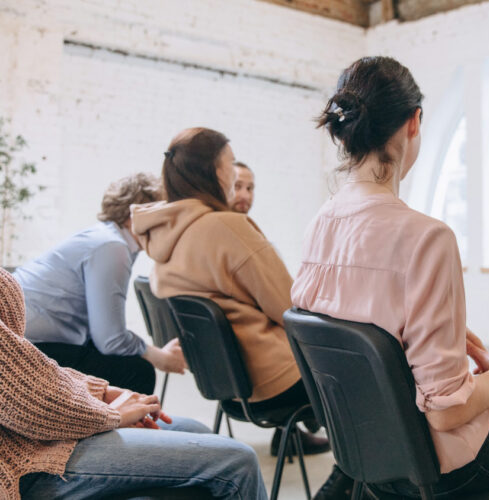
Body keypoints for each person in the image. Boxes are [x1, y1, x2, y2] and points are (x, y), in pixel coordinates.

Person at [292, 56, 489, 499]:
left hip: (365, 449)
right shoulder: (427, 238)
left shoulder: (319, 225)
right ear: (414, 123)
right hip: (437, 466)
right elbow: (447, 413)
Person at [130, 128, 329, 459]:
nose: (233, 172)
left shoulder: (165, 236)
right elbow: (290, 307)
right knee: (373, 380)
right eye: (230, 163)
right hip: (276, 381)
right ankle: (351, 482)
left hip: (228, 388)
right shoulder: (226, 227)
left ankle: (347, 479)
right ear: (215, 170)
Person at [0, 268, 268, 500]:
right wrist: (111, 414)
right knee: (238, 461)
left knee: (196, 429)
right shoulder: (109, 246)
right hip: (19, 458)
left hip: (31, 430)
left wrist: (101, 392)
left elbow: (24, 365)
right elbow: (109, 339)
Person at [13, 173, 185, 395]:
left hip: (29, 340)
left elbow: (104, 335)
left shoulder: (104, 238)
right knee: (137, 371)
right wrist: (158, 357)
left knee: (126, 360)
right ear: (135, 214)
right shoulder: (112, 247)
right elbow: (110, 339)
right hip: (28, 348)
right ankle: (125, 427)